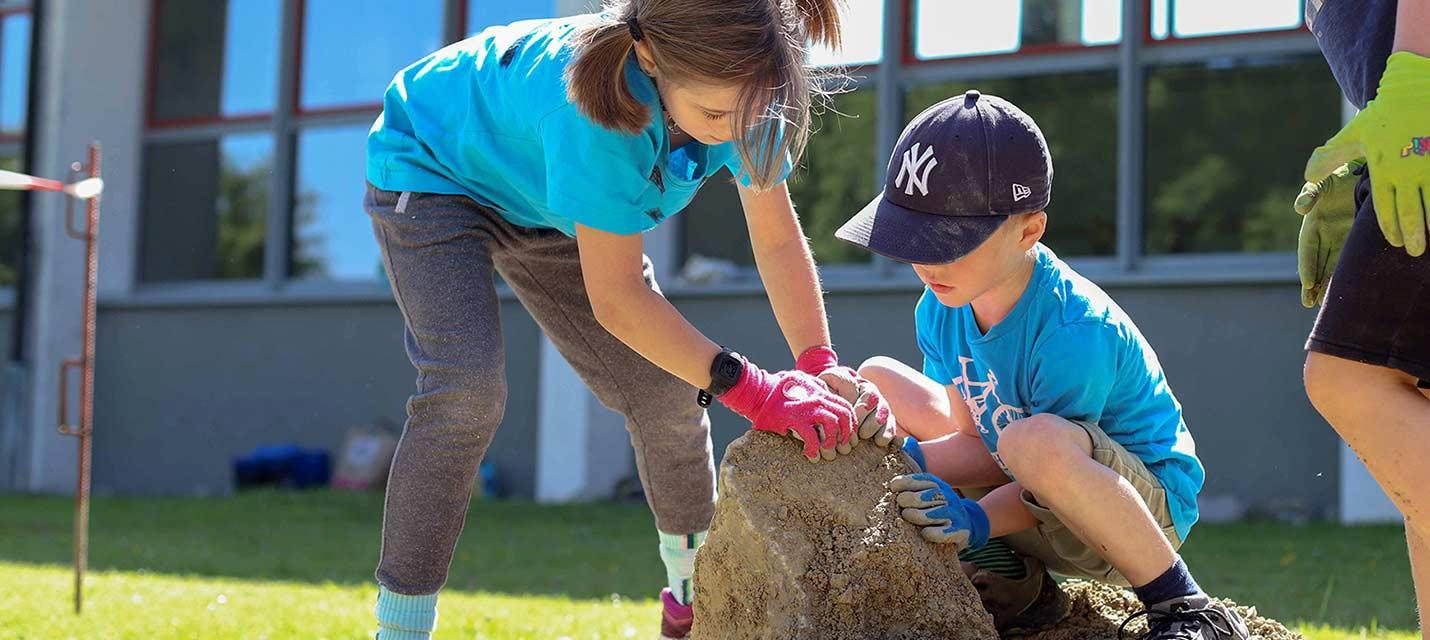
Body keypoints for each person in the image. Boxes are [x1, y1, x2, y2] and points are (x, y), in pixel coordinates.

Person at [361, 1, 892, 638]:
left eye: (747, 113)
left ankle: (693, 603)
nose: (731, 132)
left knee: (668, 390)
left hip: (545, 200)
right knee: (467, 391)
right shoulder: (595, 112)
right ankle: (402, 626)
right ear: (651, 60)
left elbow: (777, 240)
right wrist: (755, 391)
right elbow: (618, 302)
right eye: (714, 116)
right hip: (434, 165)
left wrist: (817, 363)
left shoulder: (747, 94)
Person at [835, 91, 1248, 639]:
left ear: (1029, 229)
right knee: (878, 379)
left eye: (948, 242)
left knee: (1031, 444)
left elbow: (1036, 465)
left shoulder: (1073, 329)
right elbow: (977, 440)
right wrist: (899, 458)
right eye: (911, 239)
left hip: (1134, 515)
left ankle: (1183, 605)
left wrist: (974, 516)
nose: (926, 263)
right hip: (1028, 486)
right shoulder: (940, 307)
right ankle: (1019, 588)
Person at [1297, 0, 1430, 635]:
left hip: (1424, 115)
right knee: (1415, 417)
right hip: (1409, 127)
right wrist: (1369, 149)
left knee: (1352, 377)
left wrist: (1414, 82)